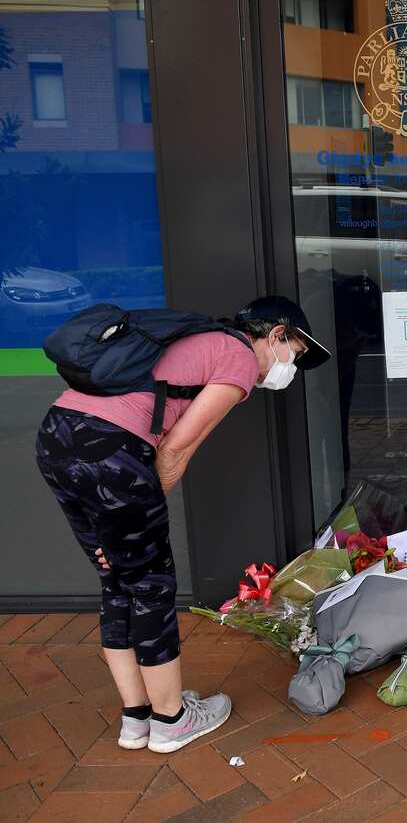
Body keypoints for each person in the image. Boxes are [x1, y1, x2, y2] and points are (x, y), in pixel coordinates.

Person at [33, 296, 330, 753]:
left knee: (117, 578)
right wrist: (138, 515)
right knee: (150, 584)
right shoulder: (236, 358)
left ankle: (138, 718)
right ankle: (171, 720)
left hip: (58, 435)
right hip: (110, 453)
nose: (292, 365)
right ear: (275, 335)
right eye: (297, 351)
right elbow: (176, 449)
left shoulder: (200, 336)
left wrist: (121, 527)